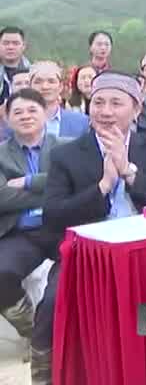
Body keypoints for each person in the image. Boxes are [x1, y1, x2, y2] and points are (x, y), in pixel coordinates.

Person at [36, 71, 146, 383]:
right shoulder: (65, 154)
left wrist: (129, 172)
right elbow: (54, 214)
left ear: (136, 109)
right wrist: (102, 186)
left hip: (144, 248)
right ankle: (48, 374)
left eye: (116, 103)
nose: (106, 111)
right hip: (85, 254)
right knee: (51, 305)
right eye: (98, 102)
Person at [0, 89, 61, 348]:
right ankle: (35, 332)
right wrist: (53, 191)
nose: (25, 116)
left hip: (61, 227)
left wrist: (27, 182)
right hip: (20, 231)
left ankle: (56, 333)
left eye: (32, 110)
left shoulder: (66, 147)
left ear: (45, 113)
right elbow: (2, 198)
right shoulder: (1, 154)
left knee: (62, 284)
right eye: (18, 112)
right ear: (6, 118)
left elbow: (76, 184)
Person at [28, 62, 89, 140]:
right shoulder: (17, 122)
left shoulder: (81, 122)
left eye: (51, 81)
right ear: (30, 86)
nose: (45, 87)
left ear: (60, 86)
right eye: (38, 82)